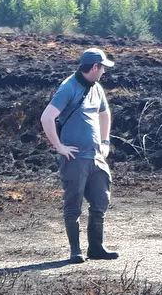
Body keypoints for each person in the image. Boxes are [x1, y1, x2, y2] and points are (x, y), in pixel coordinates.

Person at [40, 47, 119, 262]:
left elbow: (104, 113)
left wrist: (105, 141)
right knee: (73, 204)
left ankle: (96, 248)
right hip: (74, 158)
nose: (104, 71)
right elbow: (47, 118)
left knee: (101, 201)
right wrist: (59, 147)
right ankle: (75, 251)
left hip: (95, 157)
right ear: (94, 67)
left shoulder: (97, 88)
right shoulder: (68, 88)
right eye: (102, 67)